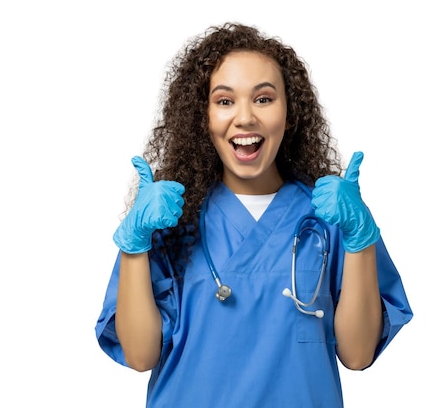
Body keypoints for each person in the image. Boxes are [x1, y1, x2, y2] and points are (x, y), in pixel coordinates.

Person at [95, 22, 413, 407]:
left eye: (263, 99)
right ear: (203, 118)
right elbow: (140, 355)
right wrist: (134, 245)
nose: (244, 118)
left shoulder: (331, 218)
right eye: (225, 101)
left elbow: (358, 355)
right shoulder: (168, 219)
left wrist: (360, 240)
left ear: (290, 113)